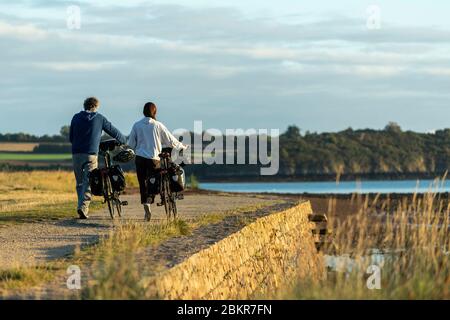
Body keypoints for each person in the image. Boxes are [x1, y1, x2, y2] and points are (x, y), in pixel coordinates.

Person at [128, 102, 188, 221]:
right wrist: (182, 146)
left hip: (140, 158)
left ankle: (146, 204)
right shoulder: (158, 125)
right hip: (154, 159)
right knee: (155, 182)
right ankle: (162, 197)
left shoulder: (136, 125)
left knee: (142, 183)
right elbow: (170, 140)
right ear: (154, 112)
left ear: (143, 112)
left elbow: (131, 144)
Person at [70, 97, 127, 219]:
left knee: (79, 183)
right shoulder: (99, 118)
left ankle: (81, 205)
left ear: (85, 106)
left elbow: (71, 137)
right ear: (96, 106)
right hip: (91, 154)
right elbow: (114, 131)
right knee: (88, 181)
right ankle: (83, 208)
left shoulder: (75, 117)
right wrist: (123, 140)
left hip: (76, 154)